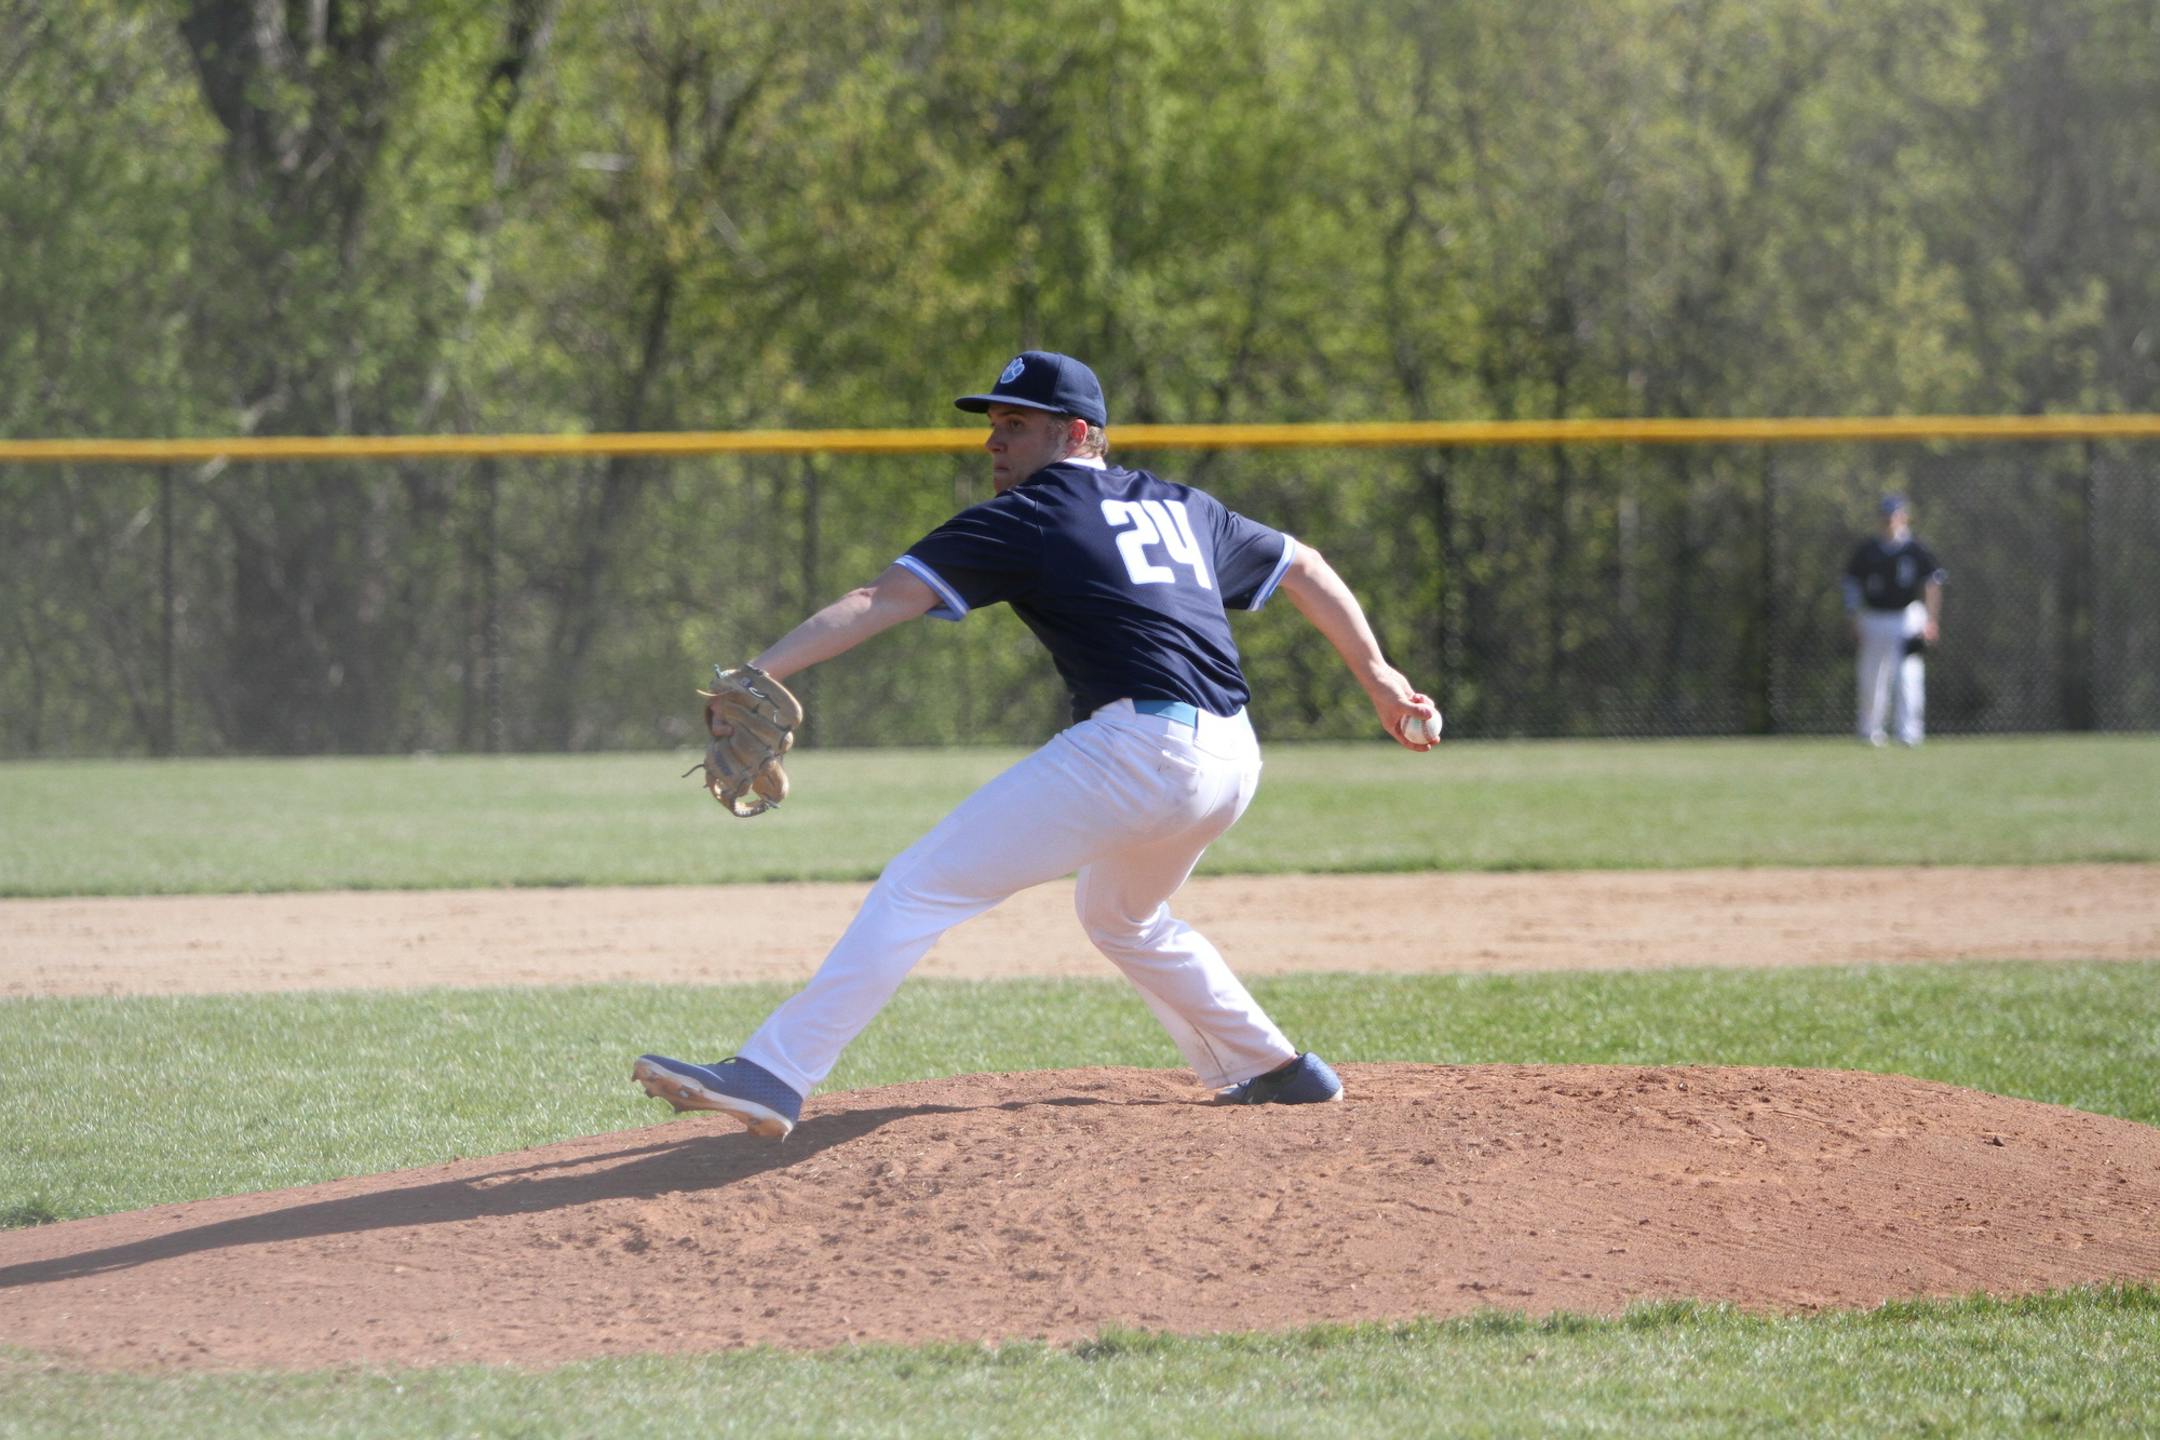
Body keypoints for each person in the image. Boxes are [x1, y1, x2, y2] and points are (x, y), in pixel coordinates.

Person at [634, 351, 1439, 1138]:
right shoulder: (1182, 505)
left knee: (918, 886)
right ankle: (1277, 1068)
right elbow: (1305, 564)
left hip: (1141, 750)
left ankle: (773, 1073)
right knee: (1121, 915)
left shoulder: (1034, 514)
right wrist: (1378, 678)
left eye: (1016, 425)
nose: (994, 442)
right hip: (1232, 759)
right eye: (994, 425)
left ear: (1079, 433)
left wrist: (758, 670)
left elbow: (880, 597)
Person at [1842, 493, 1945, 747]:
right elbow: (1851, 584)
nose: (1890, 521)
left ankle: (1909, 731)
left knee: (1908, 676)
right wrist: (1853, 618)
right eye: (1886, 516)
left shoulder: (1916, 548)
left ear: (1904, 517)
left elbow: (1933, 584)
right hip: (1874, 616)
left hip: (1907, 616)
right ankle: (1870, 731)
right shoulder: (1867, 550)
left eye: (1895, 515)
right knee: (1871, 677)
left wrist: (1931, 620)